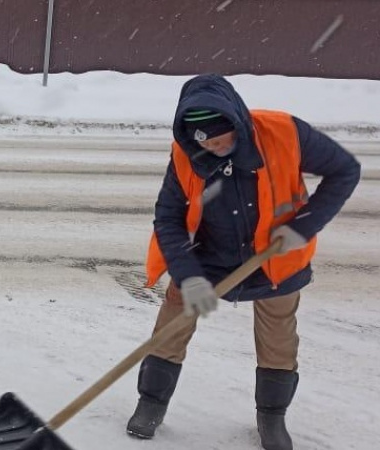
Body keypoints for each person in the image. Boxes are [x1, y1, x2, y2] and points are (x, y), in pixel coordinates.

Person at [127, 74, 360, 450]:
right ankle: (150, 404)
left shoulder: (284, 132)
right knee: (170, 327)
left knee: (278, 339)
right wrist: (189, 277)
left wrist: (303, 226)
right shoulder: (186, 153)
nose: (219, 149)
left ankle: (272, 417)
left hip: (275, 257)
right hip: (208, 258)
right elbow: (168, 217)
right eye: (209, 143)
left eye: (225, 140)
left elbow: (345, 170)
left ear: (237, 123)